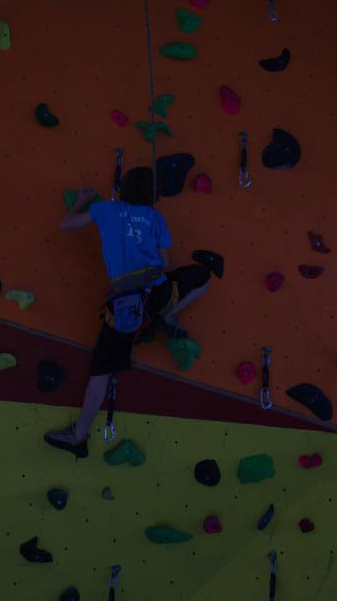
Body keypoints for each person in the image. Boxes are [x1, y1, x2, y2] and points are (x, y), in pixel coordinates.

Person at [44, 166, 212, 460]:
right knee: (203, 277)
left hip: (124, 306)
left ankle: (79, 436)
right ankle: (164, 315)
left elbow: (66, 225)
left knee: (101, 370)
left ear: (123, 189)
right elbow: (163, 262)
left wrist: (81, 200)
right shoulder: (156, 217)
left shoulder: (107, 209)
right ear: (153, 196)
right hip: (156, 292)